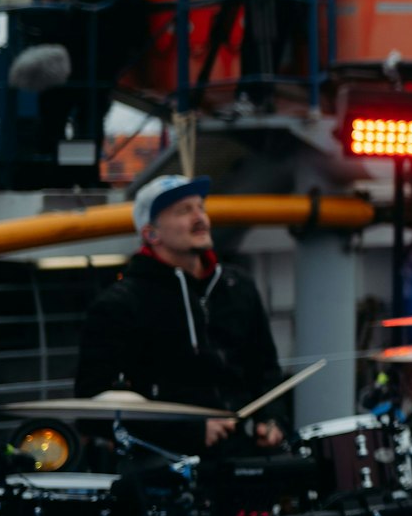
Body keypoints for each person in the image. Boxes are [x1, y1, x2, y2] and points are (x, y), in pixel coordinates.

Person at [74, 175, 288, 458]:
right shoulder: (119, 305)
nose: (199, 218)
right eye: (183, 211)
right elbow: (92, 409)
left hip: (243, 456)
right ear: (152, 234)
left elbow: (266, 371)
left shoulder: (239, 287)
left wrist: (271, 420)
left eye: (201, 208)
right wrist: (192, 432)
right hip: (163, 468)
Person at [27, 0, 149, 156]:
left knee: (88, 117)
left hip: (103, 54)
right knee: (54, 109)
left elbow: (124, 3)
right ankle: (58, 172)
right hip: (76, 54)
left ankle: (83, 175)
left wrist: (78, 0)